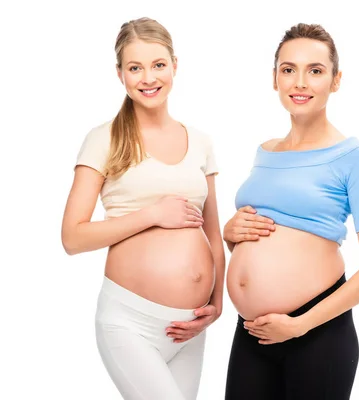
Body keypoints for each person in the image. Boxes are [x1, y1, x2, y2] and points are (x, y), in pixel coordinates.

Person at [223, 23, 359, 399]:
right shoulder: (264, 152)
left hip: (317, 332)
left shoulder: (354, 157)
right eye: (289, 69)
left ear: (335, 81)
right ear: (275, 79)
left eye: (315, 71)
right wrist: (230, 234)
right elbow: (271, 238)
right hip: (252, 331)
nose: (300, 82)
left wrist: (300, 324)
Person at [60, 17, 225, 400]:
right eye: (135, 68)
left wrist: (216, 304)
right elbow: (72, 237)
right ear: (120, 74)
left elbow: (212, 233)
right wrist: (151, 215)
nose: (148, 77)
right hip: (129, 322)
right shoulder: (104, 139)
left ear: (174, 66)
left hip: (190, 329)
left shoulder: (200, 141)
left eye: (158, 65)